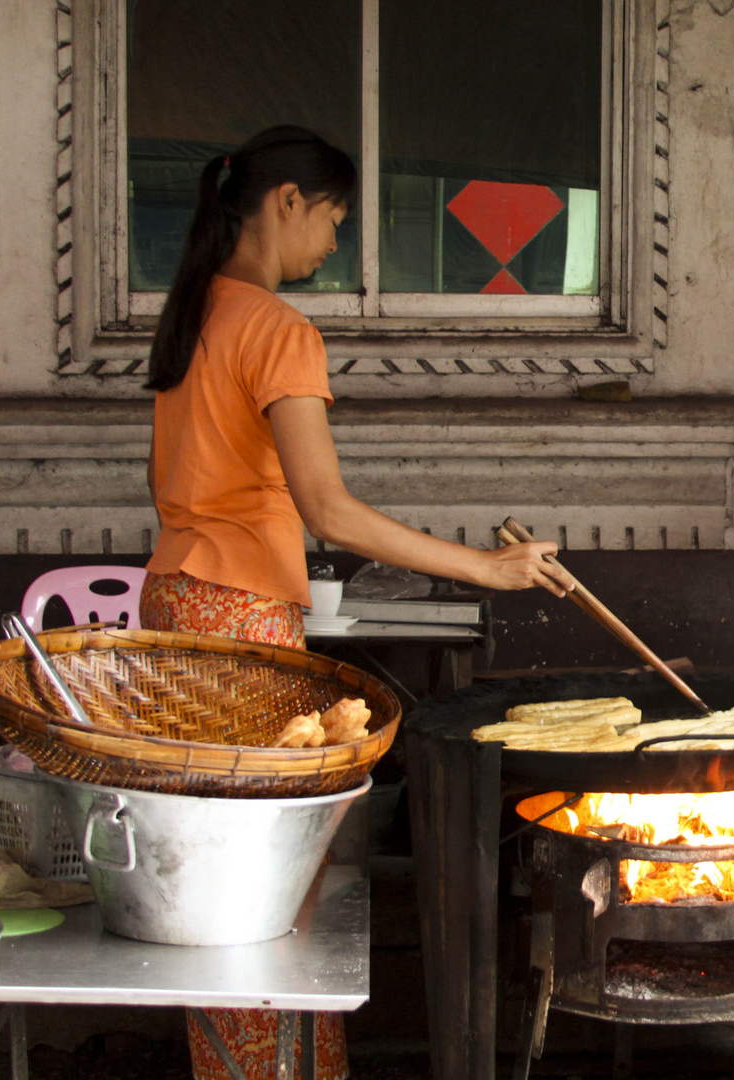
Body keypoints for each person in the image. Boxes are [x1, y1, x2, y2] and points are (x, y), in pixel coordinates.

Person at [139, 126, 574, 1080]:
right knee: (260, 885)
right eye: (333, 218)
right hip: (240, 626)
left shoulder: (192, 315)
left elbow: (172, 484)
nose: (335, 244)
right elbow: (327, 509)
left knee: (209, 880)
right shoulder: (278, 330)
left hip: (173, 610)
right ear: (286, 202)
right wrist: (483, 569)